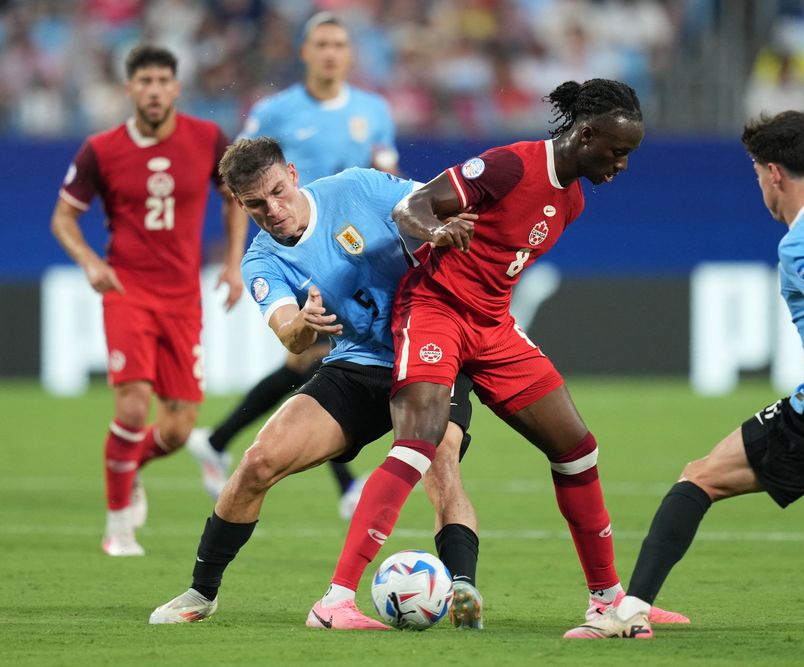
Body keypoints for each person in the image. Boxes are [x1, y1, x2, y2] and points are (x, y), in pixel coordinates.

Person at [302, 78, 690, 630]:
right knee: (417, 443)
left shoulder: (572, 200)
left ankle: (607, 600)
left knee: (577, 450)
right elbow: (411, 207)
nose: (622, 164)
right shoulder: (510, 165)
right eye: (617, 150)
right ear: (585, 135)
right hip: (435, 311)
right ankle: (335, 601)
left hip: (492, 327)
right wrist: (436, 231)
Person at [564, 110, 804, 639]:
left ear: (774, 173)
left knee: (699, 477)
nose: (759, 184)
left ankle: (627, 613)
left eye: (757, 173)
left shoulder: (803, 240)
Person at [149, 137, 483, 629]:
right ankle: (202, 592)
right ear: (239, 203)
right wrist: (304, 324)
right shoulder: (261, 260)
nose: (273, 210)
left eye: (278, 192)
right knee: (258, 462)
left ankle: (462, 590)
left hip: (432, 348)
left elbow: (434, 201)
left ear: (292, 173)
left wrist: (445, 232)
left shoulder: (357, 187)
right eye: (256, 204)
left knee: (440, 461)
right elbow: (288, 332)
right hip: (358, 361)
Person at [186, 12, 398, 517]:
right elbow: (237, 181)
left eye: (338, 44)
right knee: (316, 356)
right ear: (305, 52)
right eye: (321, 44)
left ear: (349, 53)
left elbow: (388, 175)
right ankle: (346, 483)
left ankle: (218, 439)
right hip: (298, 252)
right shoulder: (274, 111)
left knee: (309, 363)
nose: (330, 53)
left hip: (351, 243)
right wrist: (235, 261)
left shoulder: (374, 110)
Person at [50, 45, 247, 558]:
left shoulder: (207, 139)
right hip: (128, 292)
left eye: (163, 81)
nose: (154, 90)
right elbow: (63, 218)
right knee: (134, 407)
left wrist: (233, 264)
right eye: (145, 81)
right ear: (129, 89)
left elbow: (235, 200)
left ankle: (128, 466)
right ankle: (118, 527)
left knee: (179, 429)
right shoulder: (100, 149)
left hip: (183, 299)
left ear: (176, 88)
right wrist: (90, 262)